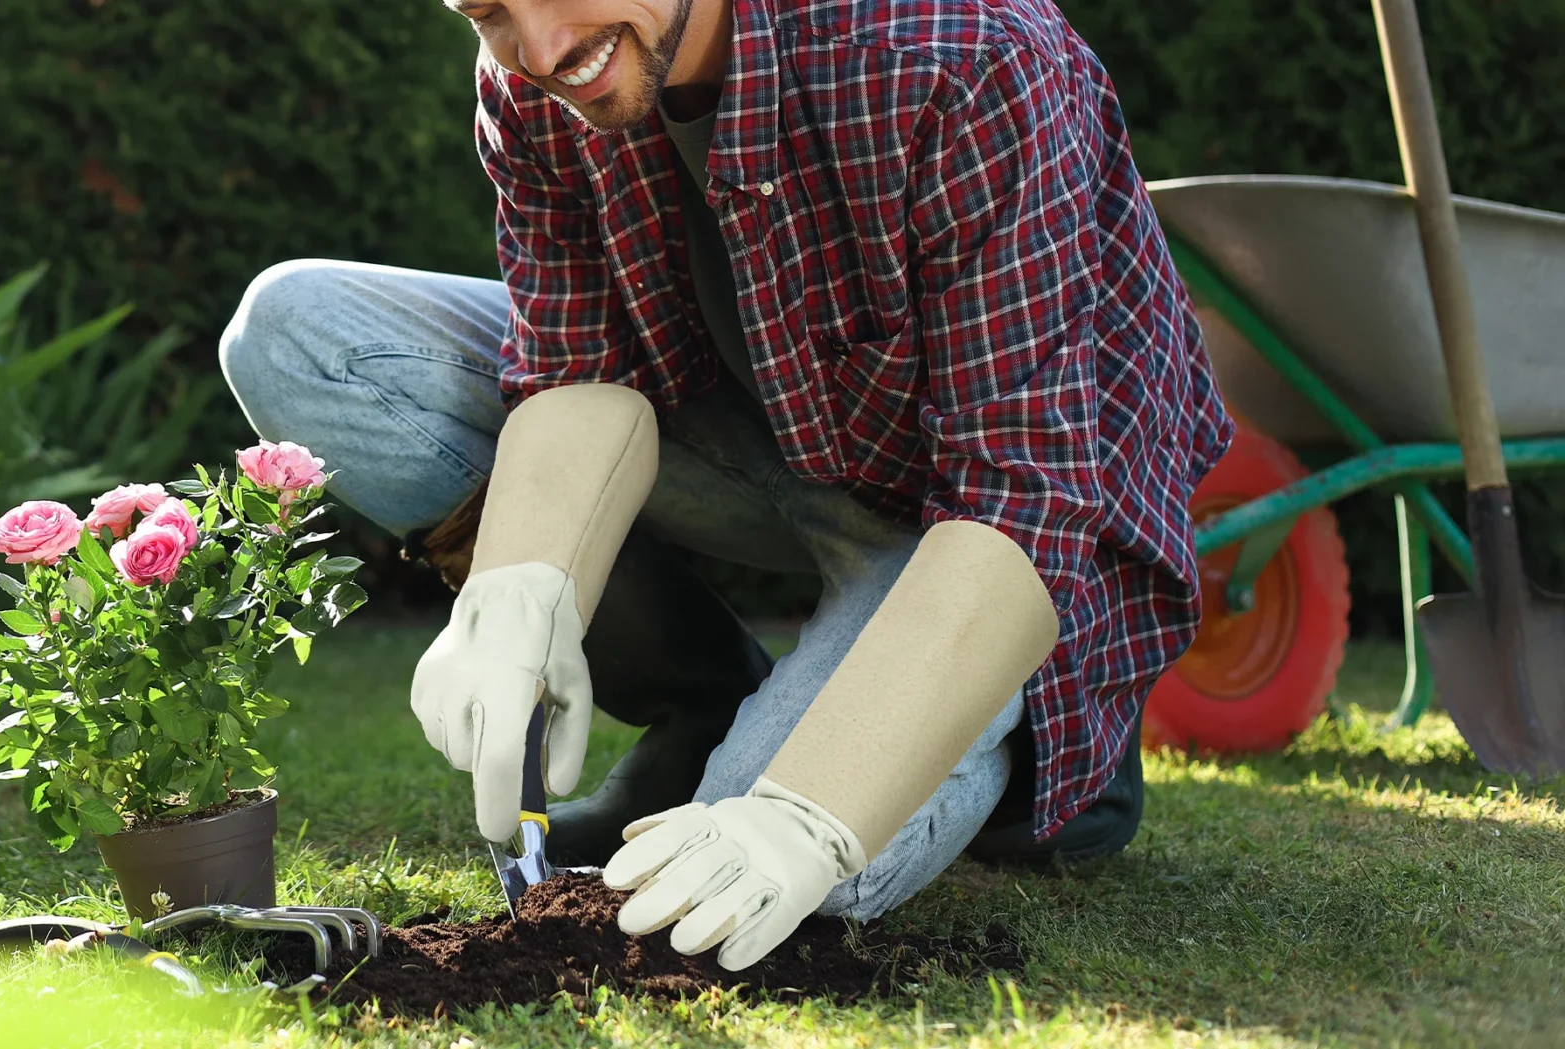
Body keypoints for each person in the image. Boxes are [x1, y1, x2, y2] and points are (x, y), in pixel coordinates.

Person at [217, 0, 1233, 970]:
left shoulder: (956, 50)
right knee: (297, 335)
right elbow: (579, 369)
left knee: (742, 873)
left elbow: (1027, 496)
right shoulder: (537, 85)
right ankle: (708, 706)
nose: (533, 51)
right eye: (486, 15)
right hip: (757, 427)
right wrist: (521, 579)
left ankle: (1042, 728)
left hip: (973, 519)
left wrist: (805, 813)